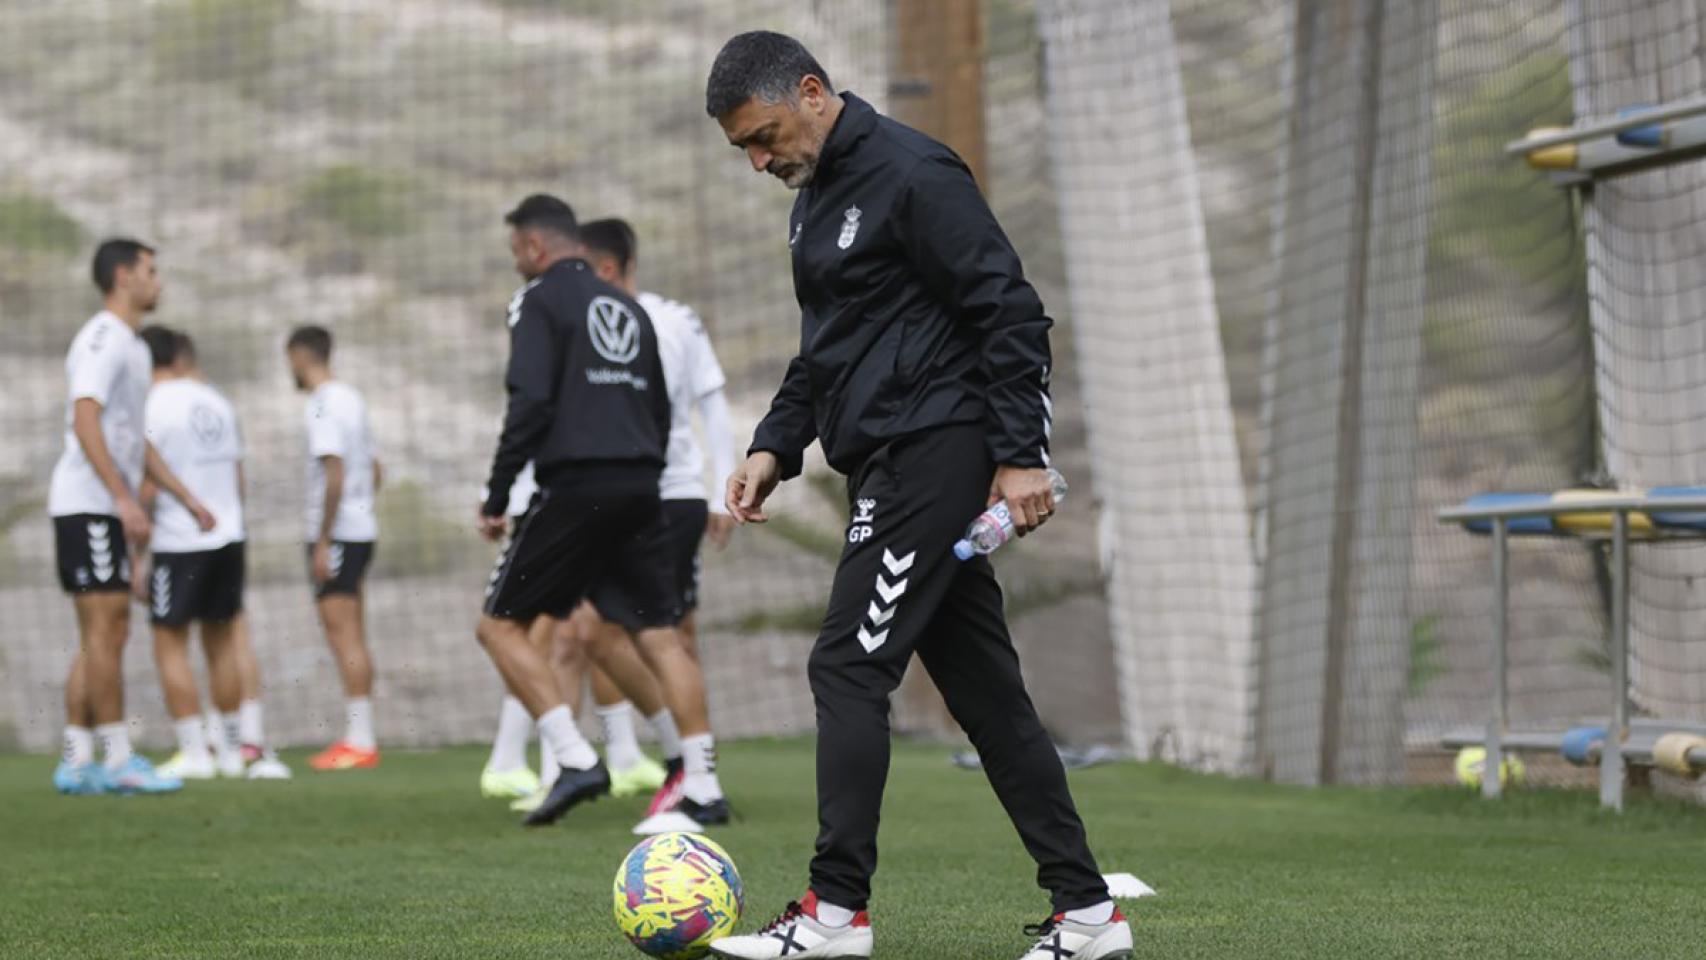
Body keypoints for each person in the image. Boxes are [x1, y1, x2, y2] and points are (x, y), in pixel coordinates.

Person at [703, 32, 1129, 960]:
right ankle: (1090, 915)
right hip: (886, 458)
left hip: (932, 453)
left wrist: (1020, 455)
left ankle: (834, 915)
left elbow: (1010, 312)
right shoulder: (813, 200)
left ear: (813, 93)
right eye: (744, 148)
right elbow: (828, 349)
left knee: (848, 668)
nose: (759, 161)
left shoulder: (913, 172)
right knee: (988, 696)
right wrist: (774, 445)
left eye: (766, 137)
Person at [475, 194, 725, 828]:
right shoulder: (630, 308)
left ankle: (573, 756)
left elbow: (528, 401)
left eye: (515, 253)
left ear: (534, 247)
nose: (517, 265)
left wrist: (498, 495)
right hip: (645, 484)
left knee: (500, 626)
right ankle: (700, 781)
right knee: (657, 635)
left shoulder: (539, 301)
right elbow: (663, 409)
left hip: (577, 487)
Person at [575, 217, 738, 833]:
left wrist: (724, 486)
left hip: (662, 498)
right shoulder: (589, 325)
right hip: (625, 500)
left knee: (662, 634)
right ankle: (686, 764)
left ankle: (697, 777)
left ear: (609, 268)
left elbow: (711, 400)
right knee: (602, 631)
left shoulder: (671, 320)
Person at [49, 239, 213, 797]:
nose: (158, 281)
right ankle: (117, 758)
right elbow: (85, 419)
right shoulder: (101, 338)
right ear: (123, 276)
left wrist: (187, 498)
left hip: (102, 503)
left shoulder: (136, 349)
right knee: (107, 630)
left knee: (102, 634)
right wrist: (121, 497)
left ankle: (76, 759)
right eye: (151, 271)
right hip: (86, 503)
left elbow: (131, 441)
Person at [138, 327, 289, 781]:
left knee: (170, 644)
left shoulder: (150, 406)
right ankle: (228, 749)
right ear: (182, 357)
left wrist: (136, 553)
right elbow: (238, 478)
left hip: (180, 539)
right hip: (229, 535)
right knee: (222, 642)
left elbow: (148, 482)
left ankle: (193, 751)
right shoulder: (217, 401)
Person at [285, 325, 383, 771]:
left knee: (342, 631)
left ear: (300, 357)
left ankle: (359, 739)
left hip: (339, 531)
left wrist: (324, 539)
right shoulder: (353, 397)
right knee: (353, 631)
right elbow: (376, 469)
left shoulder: (322, 403)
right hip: (360, 528)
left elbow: (335, 474)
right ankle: (360, 734)